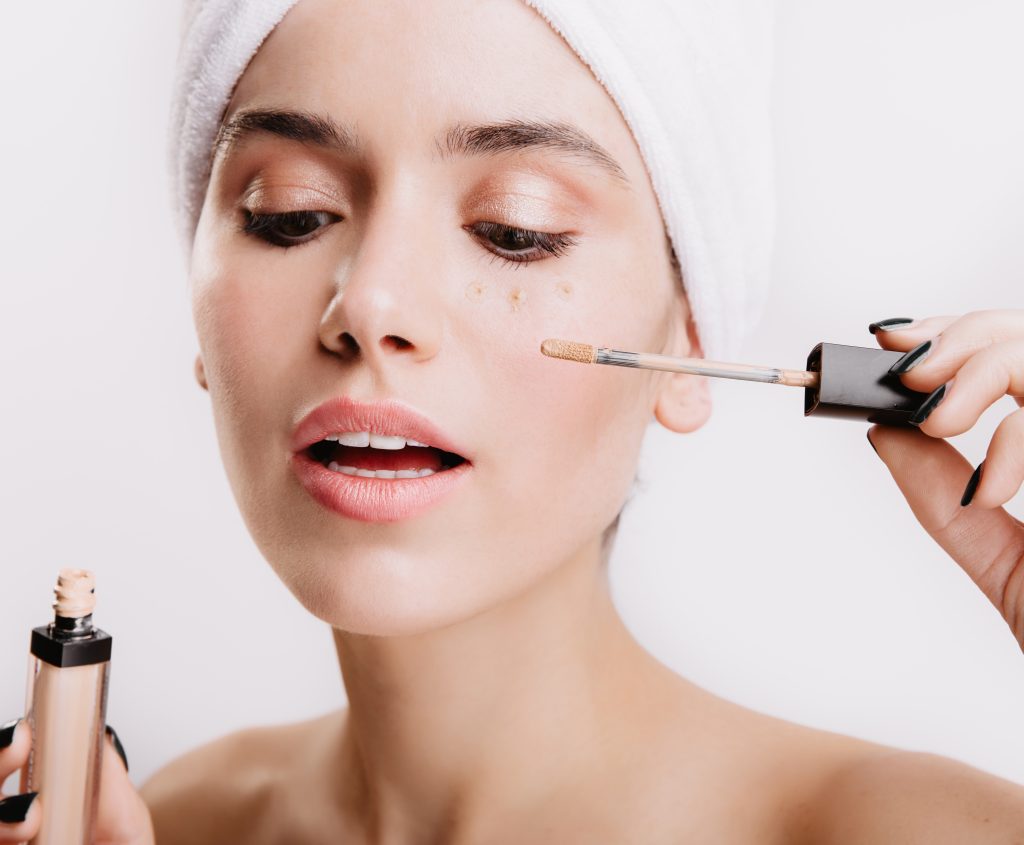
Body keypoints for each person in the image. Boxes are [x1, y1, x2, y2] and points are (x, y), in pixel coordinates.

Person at [2, 1, 1023, 842]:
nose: (371, 302)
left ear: (691, 333)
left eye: (514, 231)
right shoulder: (174, 821)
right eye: (290, 213)